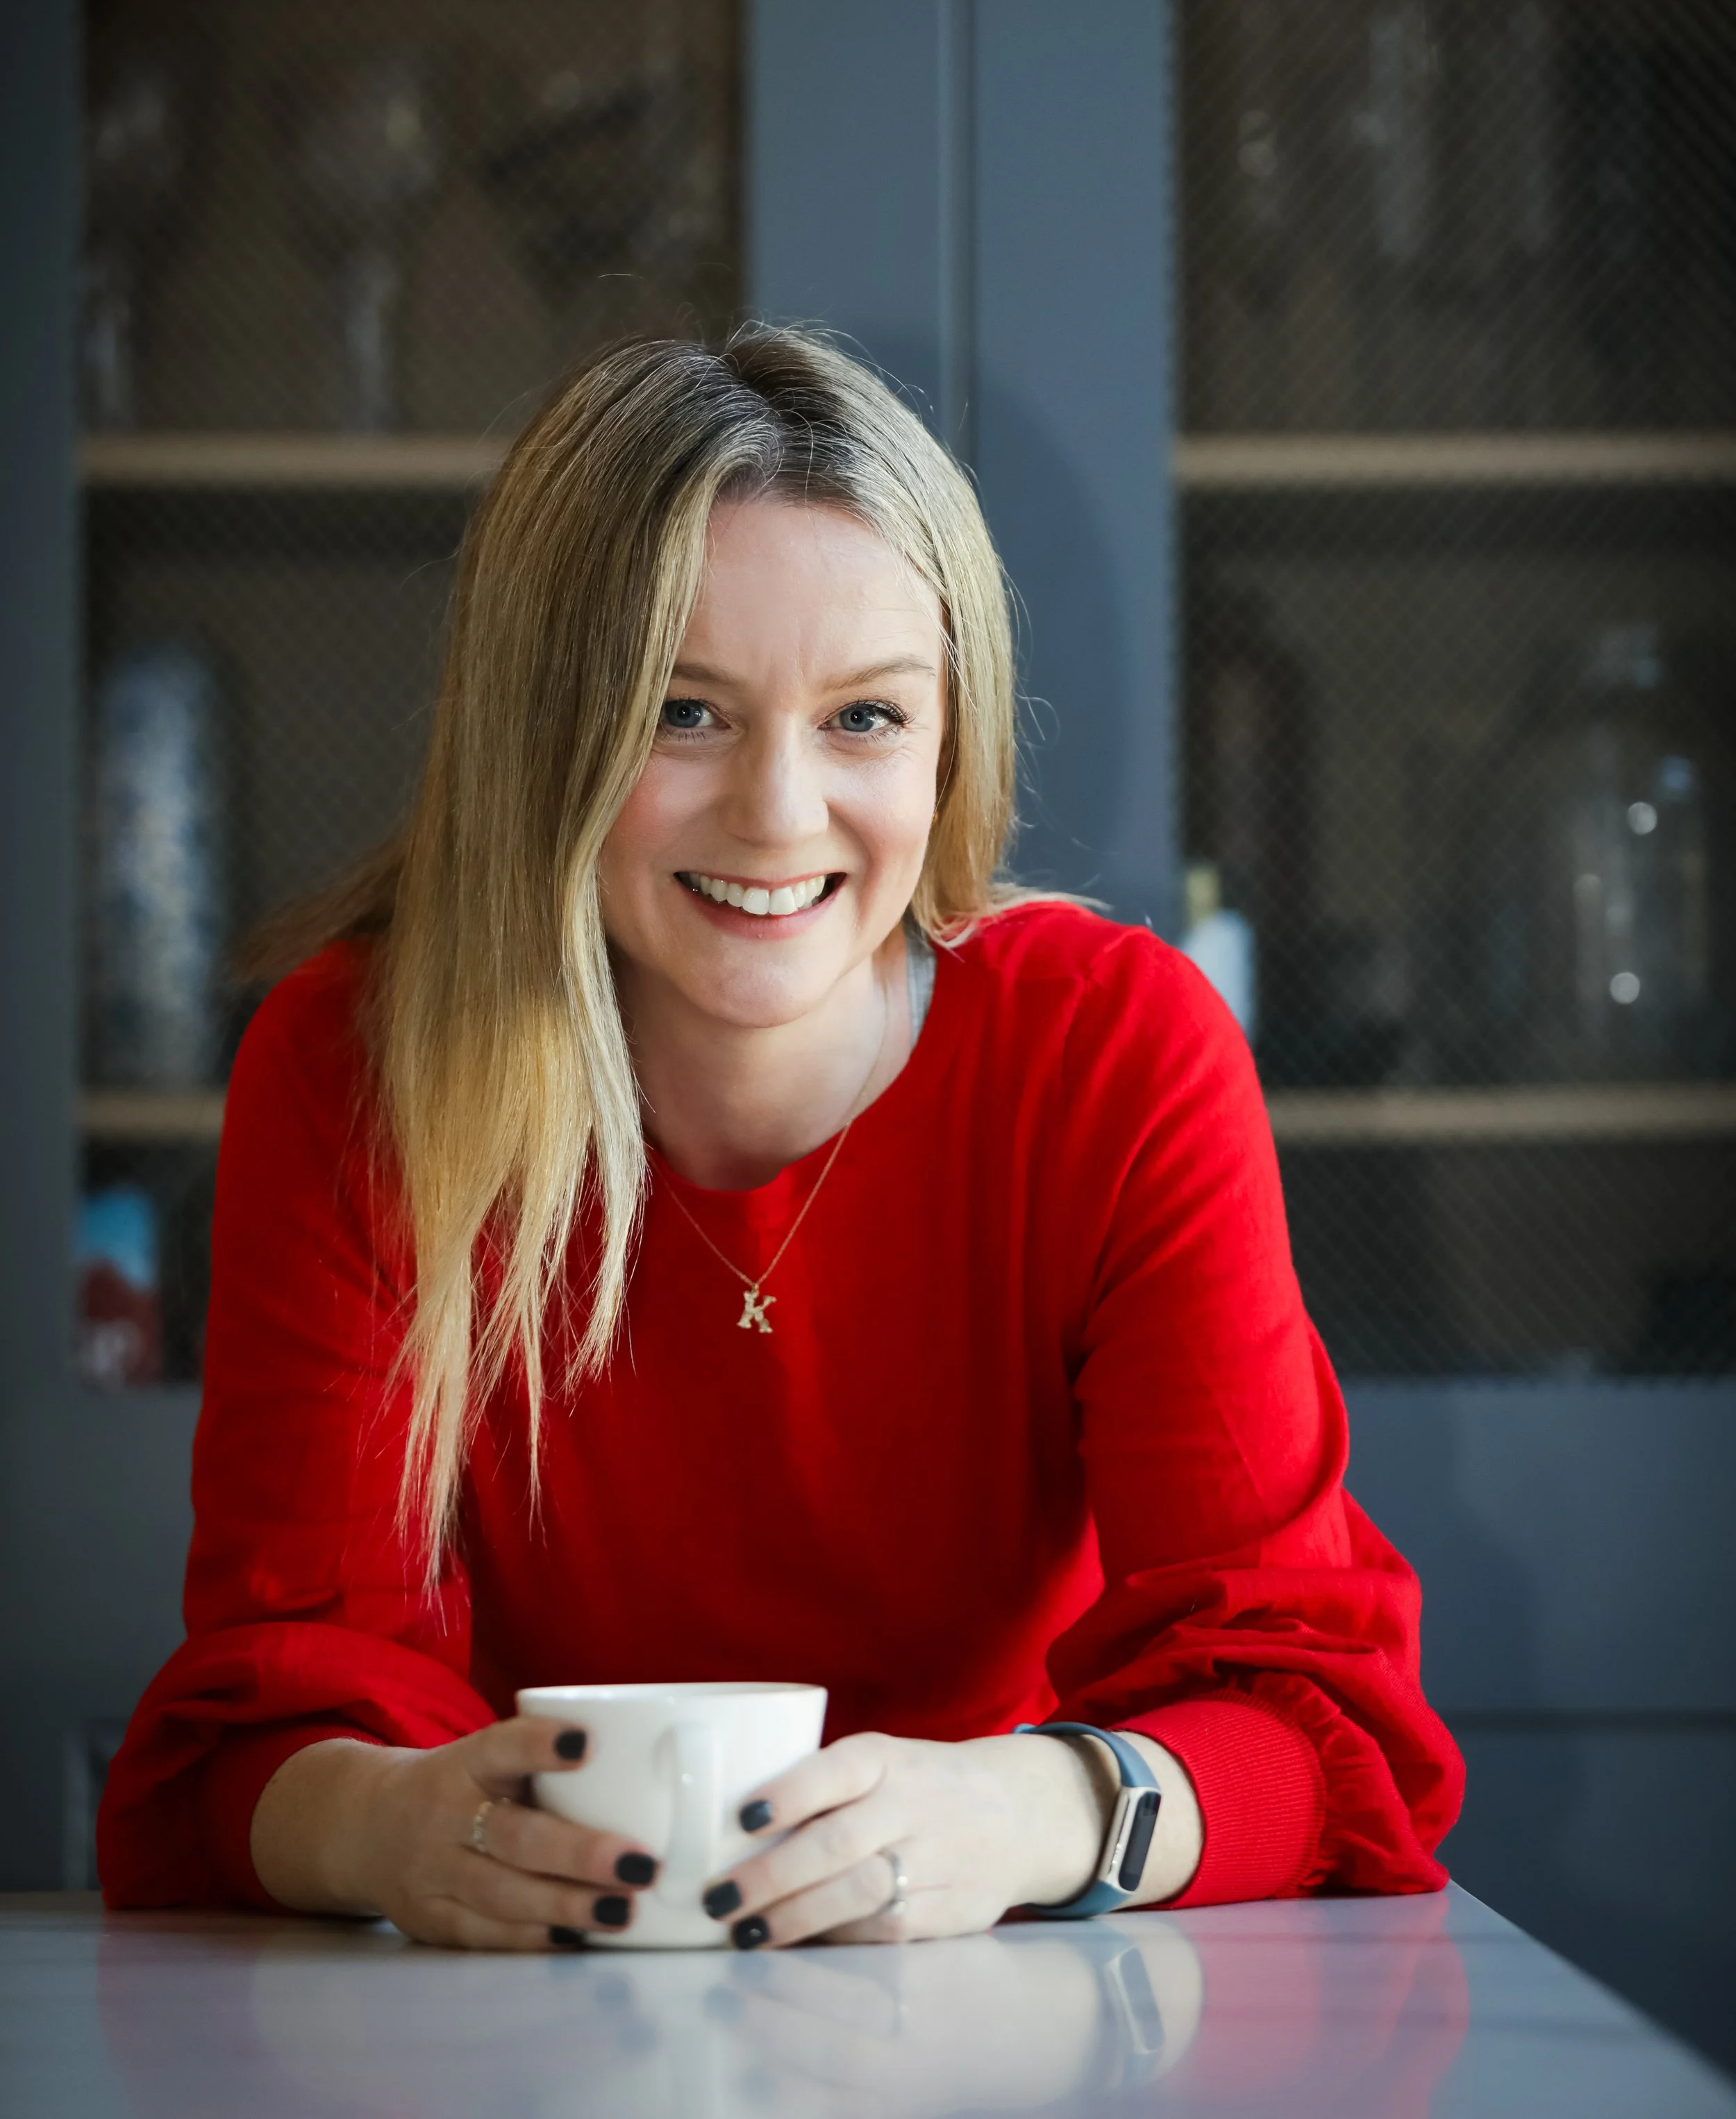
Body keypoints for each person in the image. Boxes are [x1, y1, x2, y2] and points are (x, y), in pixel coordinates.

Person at [99, 328, 1461, 1950]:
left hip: (1003, 1988)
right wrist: (393, 1828)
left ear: (949, 737)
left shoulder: (1114, 1051)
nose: (777, 811)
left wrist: (1031, 1811)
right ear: (542, 731)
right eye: (684, 712)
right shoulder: (353, 1068)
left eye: (863, 718)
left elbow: (1309, 1723)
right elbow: (263, 1725)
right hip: (521, 2003)